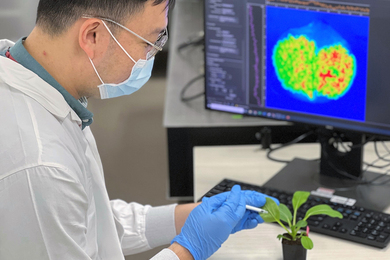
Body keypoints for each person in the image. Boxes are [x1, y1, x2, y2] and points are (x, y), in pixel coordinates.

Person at [0, 0, 277, 259]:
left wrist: (187, 216)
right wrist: (188, 249)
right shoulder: (41, 166)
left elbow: (85, 220)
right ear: (93, 36)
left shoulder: (40, 82)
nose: (152, 54)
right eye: (150, 41)